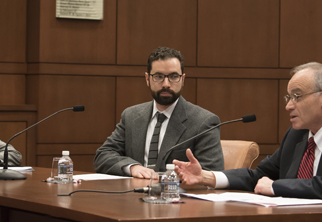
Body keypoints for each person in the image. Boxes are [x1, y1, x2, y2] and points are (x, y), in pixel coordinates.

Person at [173, 62, 322, 208]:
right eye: (288, 97)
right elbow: (258, 176)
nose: (288, 105)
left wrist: (275, 187)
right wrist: (207, 177)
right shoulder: (297, 135)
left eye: (297, 97)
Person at [94, 47, 224, 178]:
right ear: (147, 79)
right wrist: (133, 167)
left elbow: (212, 174)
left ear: (183, 79)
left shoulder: (204, 121)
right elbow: (104, 155)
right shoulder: (131, 116)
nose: (166, 84)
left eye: (174, 76)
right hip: (133, 195)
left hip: (178, 196)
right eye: (158, 77)